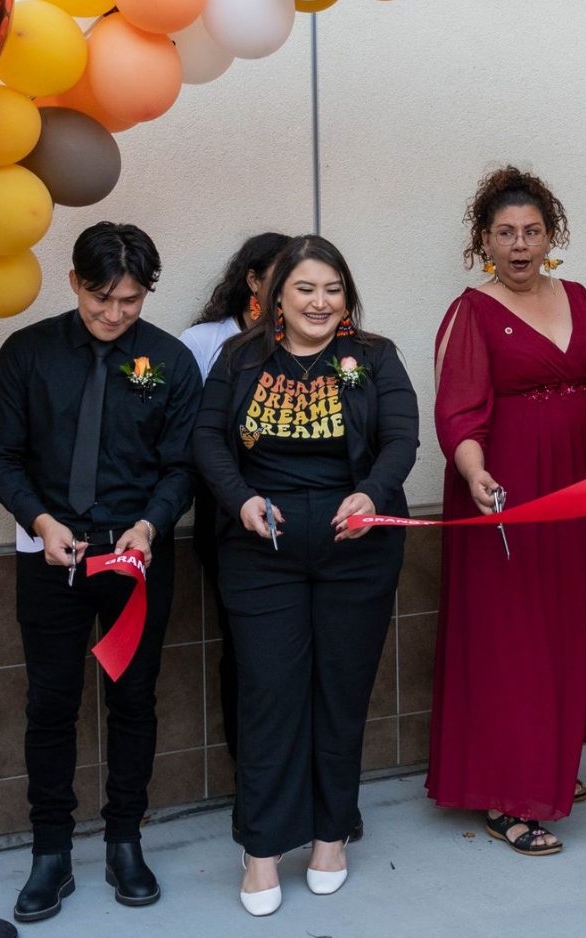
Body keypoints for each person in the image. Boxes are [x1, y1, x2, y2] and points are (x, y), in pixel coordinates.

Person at [0, 222, 201, 923]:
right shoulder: (28, 354)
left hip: (134, 558)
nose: (113, 314)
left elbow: (182, 464)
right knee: (51, 703)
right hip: (50, 556)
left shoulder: (168, 361)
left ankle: (125, 841)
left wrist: (150, 524)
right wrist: (40, 521)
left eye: (130, 301)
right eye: (101, 297)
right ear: (73, 281)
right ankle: (52, 853)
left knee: (134, 701)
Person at [193, 234, 417, 915]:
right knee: (270, 695)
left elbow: (402, 439)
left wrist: (372, 494)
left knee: (340, 692)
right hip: (262, 550)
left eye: (332, 289)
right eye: (305, 289)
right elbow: (205, 440)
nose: (319, 302)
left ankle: (329, 835)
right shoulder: (239, 359)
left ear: (346, 297)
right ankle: (261, 848)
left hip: (358, 550)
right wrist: (241, 500)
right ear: (273, 298)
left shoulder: (374, 358)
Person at [428, 165, 586, 856]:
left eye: (532, 231)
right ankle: (510, 795)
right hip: (504, 492)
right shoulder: (471, 312)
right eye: (505, 233)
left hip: (577, 491)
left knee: (562, 627)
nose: (520, 244)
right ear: (484, 242)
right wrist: (475, 475)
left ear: (551, 234)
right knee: (510, 641)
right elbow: (456, 415)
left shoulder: (583, 297)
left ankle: (548, 762)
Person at [180, 231, 290, 765]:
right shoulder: (204, 342)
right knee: (247, 652)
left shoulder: (315, 340)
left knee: (298, 655)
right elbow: (188, 435)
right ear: (253, 280)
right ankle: (252, 778)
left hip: (299, 513)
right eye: (287, 276)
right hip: (227, 516)